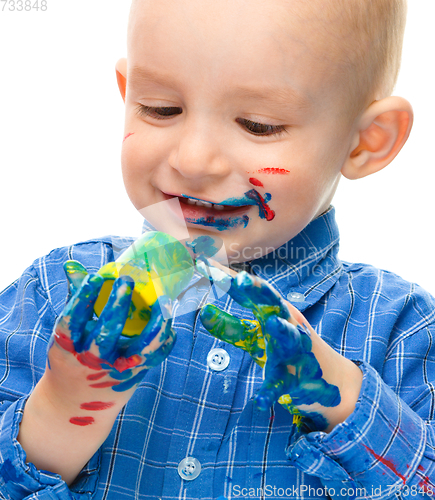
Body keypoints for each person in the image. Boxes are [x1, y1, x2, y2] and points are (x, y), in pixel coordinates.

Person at [1, 0, 434, 498]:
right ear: (126, 95)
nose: (193, 159)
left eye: (258, 124)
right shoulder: (57, 295)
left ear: (365, 142)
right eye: (162, 109)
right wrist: (61, 409)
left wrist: (340, 397)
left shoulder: (404, 329)